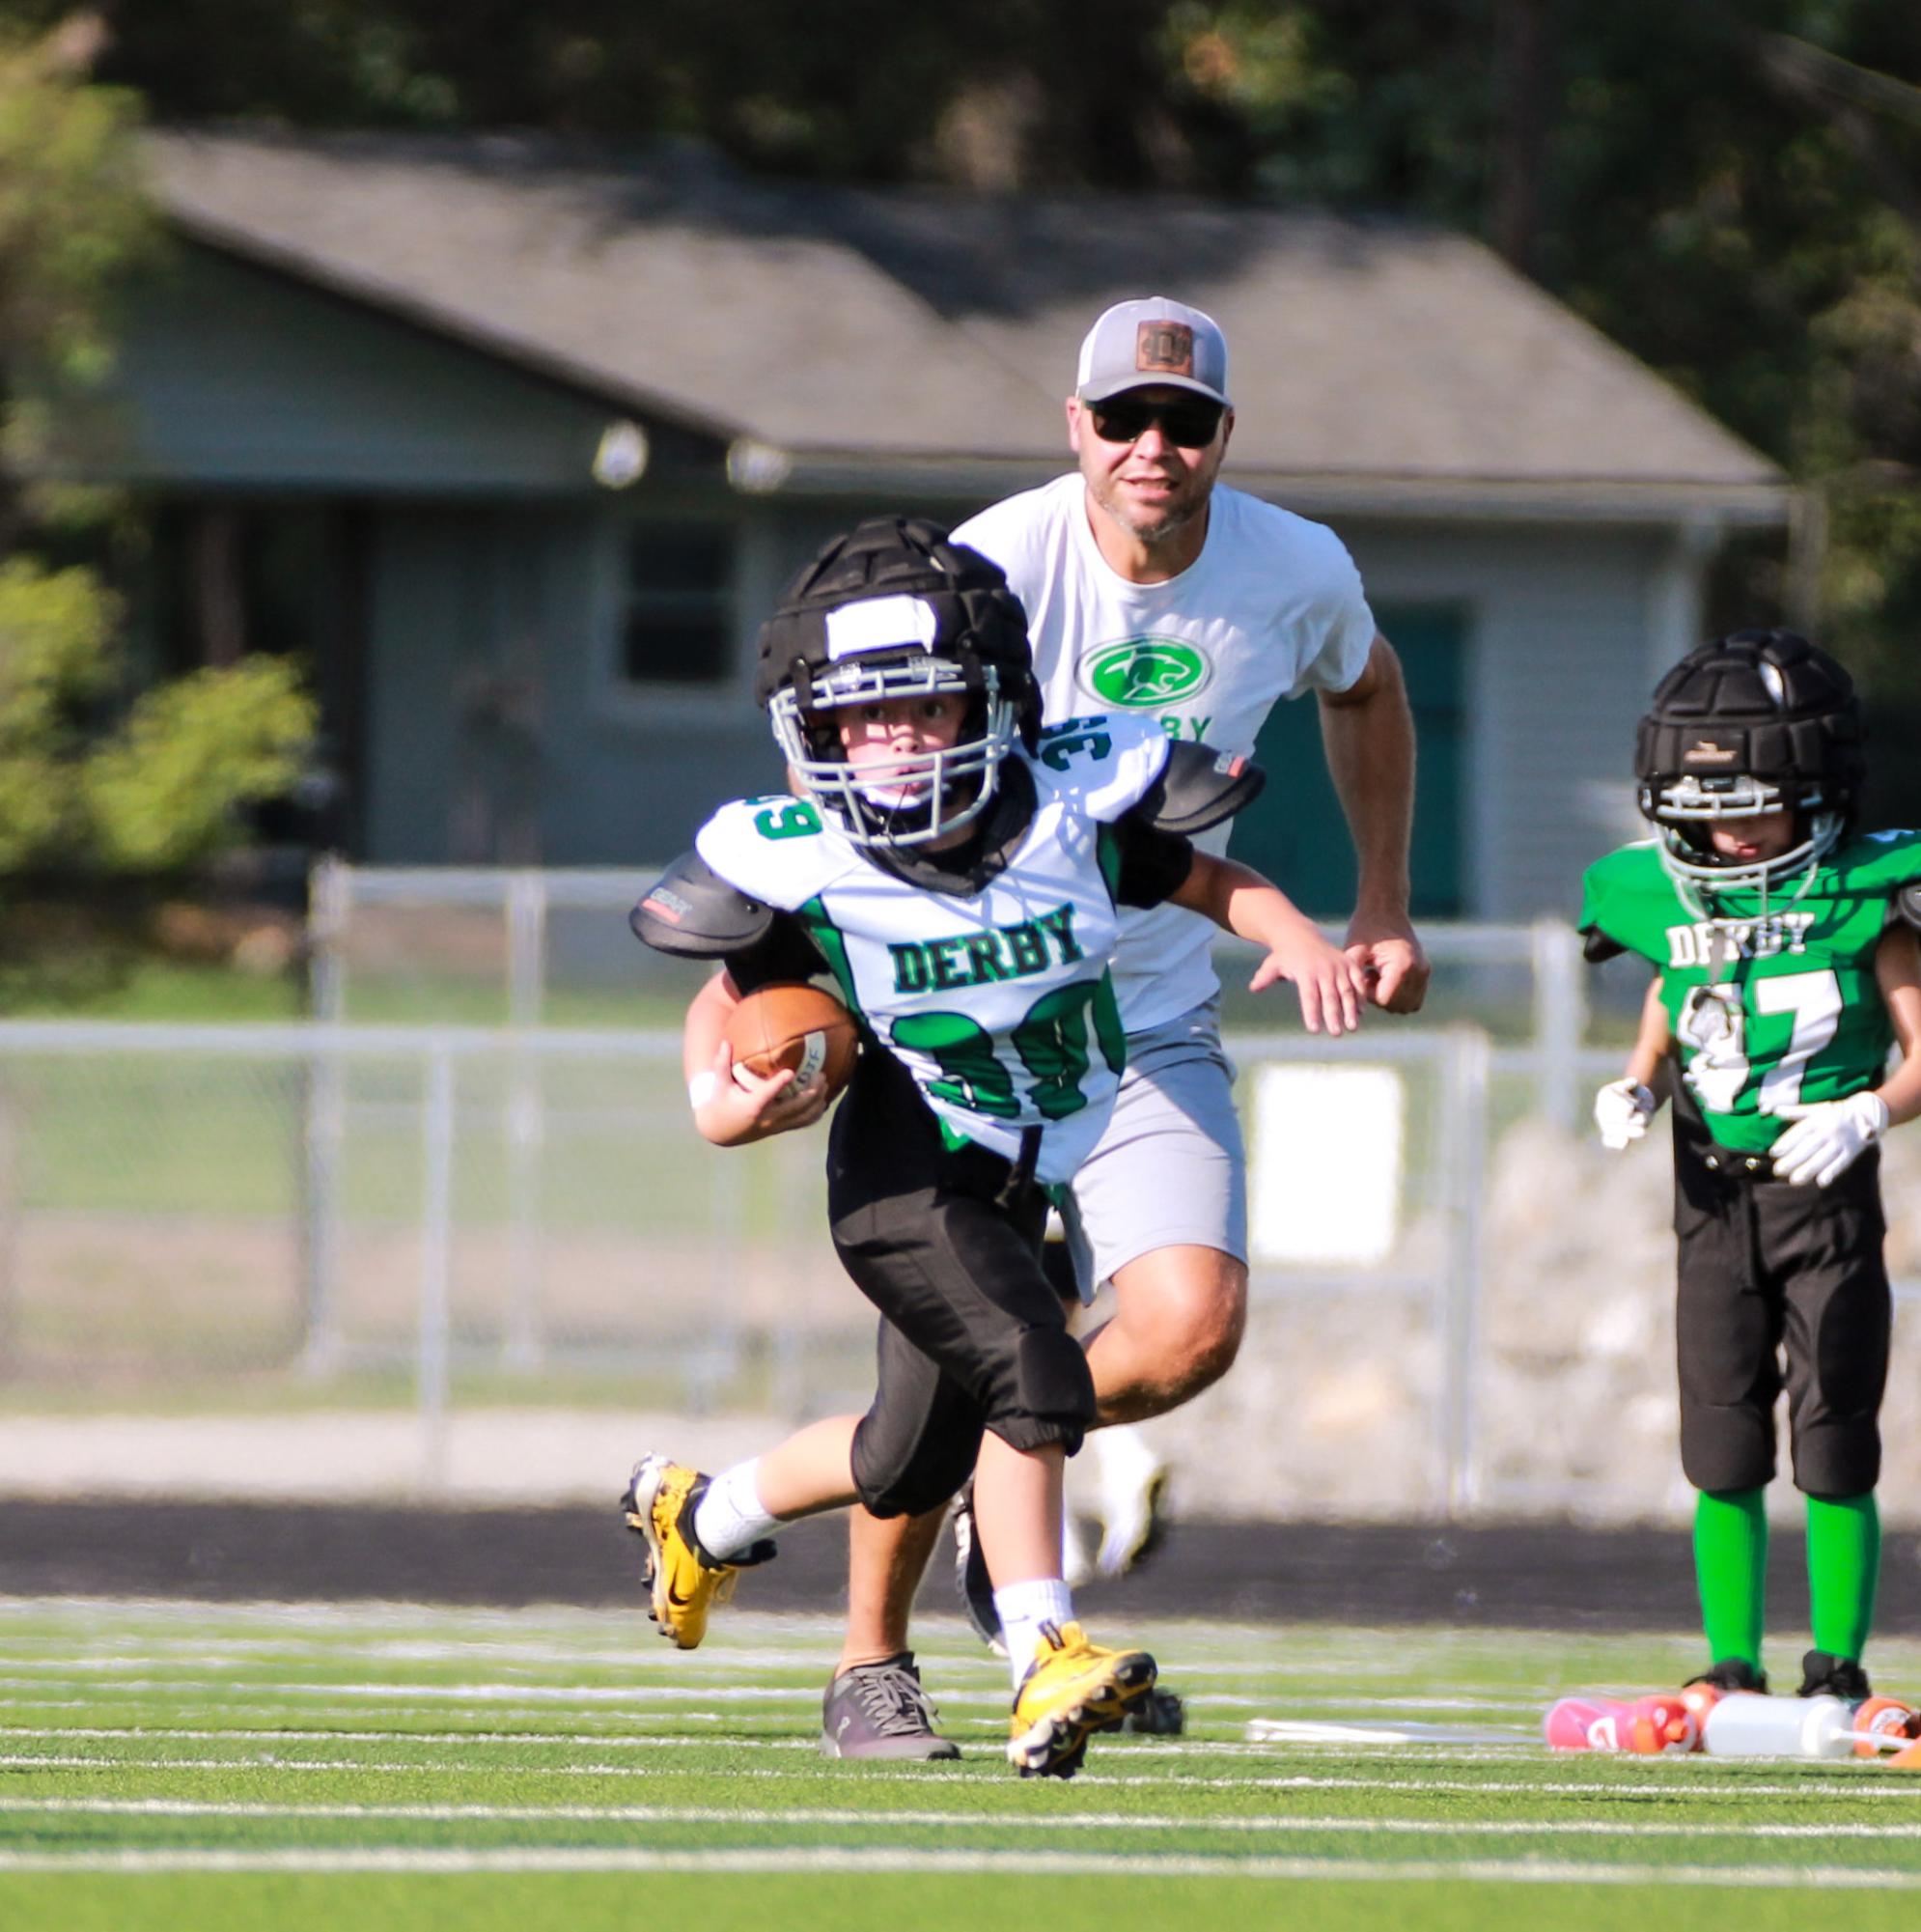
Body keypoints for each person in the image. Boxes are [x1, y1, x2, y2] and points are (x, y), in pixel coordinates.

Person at [626, 516, 1369, 1778]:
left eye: (920, 709)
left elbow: (1197, 876)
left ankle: (705, 1511)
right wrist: (721, 1103)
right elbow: (737, 985)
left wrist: (1291, 932)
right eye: (863, 719)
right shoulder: (796, 849)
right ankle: (1042, 1651)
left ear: (994, 702)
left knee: (901, 1453)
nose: (896, 744)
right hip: (909, 1163)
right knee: (1036, 1364)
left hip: (1023, 1153)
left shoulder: (1069, 804)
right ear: (814, 731)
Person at [821, 296, 1430, 1755]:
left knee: (1183, 1327)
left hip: (1148, 1015)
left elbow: (1367, 687)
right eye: (1122, 418)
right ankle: (869, 1659)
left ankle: (972, 1502)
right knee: (950, 1357)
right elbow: (866, 762)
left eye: (1186, 422)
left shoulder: (1295, 567)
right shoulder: (989, 565)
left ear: (1224, 436)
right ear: (1072, 427)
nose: (1151, 448)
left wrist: (1381, 899)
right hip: (976, 1027)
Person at [1580, 629, 1921, 1702]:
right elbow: (1675, 989)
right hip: (1709, 1194)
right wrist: (1639, 1079)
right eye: (1706, 810)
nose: (1727, 834)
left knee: (1831, 1438)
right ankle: (1730, 1660)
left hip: (1823, 1196)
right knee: (1720, 1440)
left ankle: (1837, 1665)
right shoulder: (1666, 896)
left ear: (1816, 789)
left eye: (1751, 807)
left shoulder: (1868, 894)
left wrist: (1868, 1114)